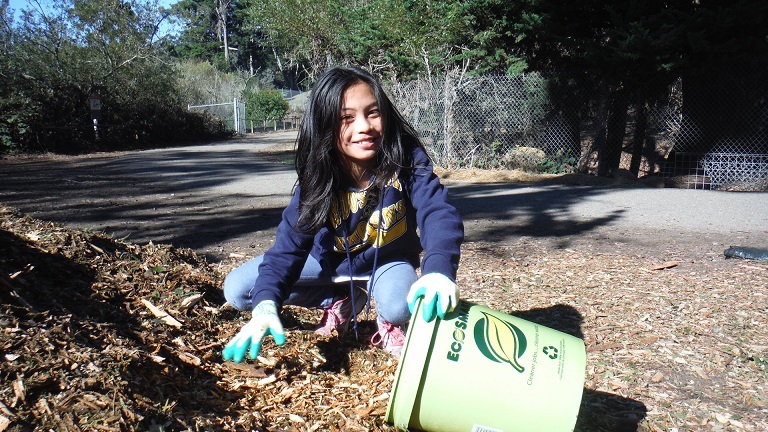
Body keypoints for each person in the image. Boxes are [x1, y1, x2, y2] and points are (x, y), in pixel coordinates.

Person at [221, 66, 464, 363]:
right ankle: (342, 298)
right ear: (325, 126)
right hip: (329, 261)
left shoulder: (405, 157)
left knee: (401, 306)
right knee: (241, 290)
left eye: (372, 112)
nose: (364, 126)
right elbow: (288, 249)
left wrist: (438, 270)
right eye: (346, 118)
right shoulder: (320, 175)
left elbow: (437, 211)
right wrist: (266, 305)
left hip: (386, 261)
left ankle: (387, 321)